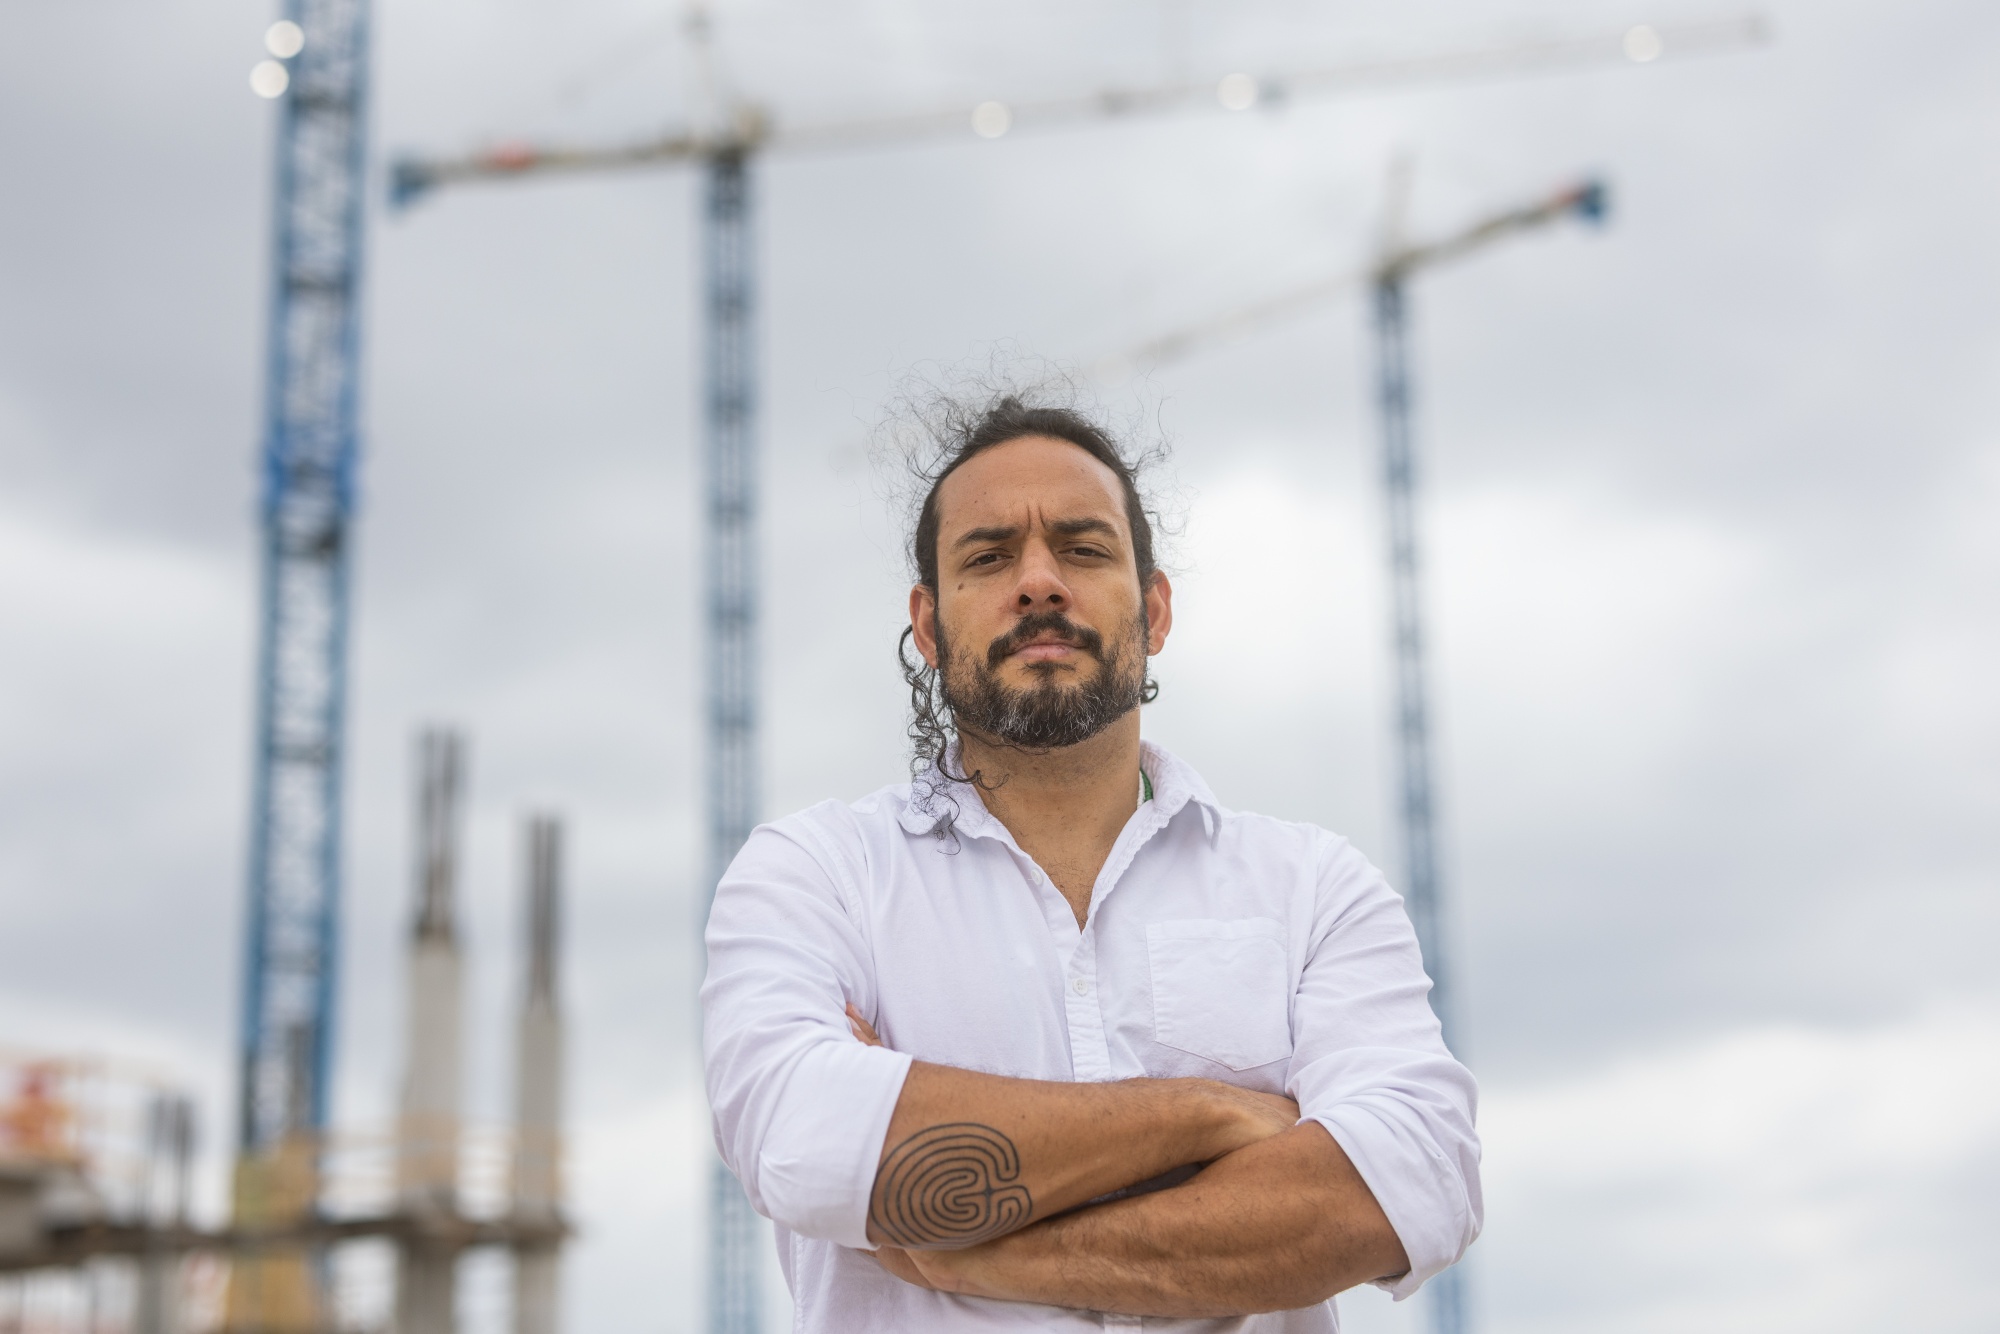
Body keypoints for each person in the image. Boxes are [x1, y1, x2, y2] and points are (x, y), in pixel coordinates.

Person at [702, 395, 1480, 1330]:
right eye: (989, 557)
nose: (1039, 583)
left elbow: (1409, 1185)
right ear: (929, 626)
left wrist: (974, 1248)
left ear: (1155, 610)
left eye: (1082, 549)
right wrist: (1208, 1115)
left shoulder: (1312, 889)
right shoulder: (816, 877)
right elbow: (808, 1145)